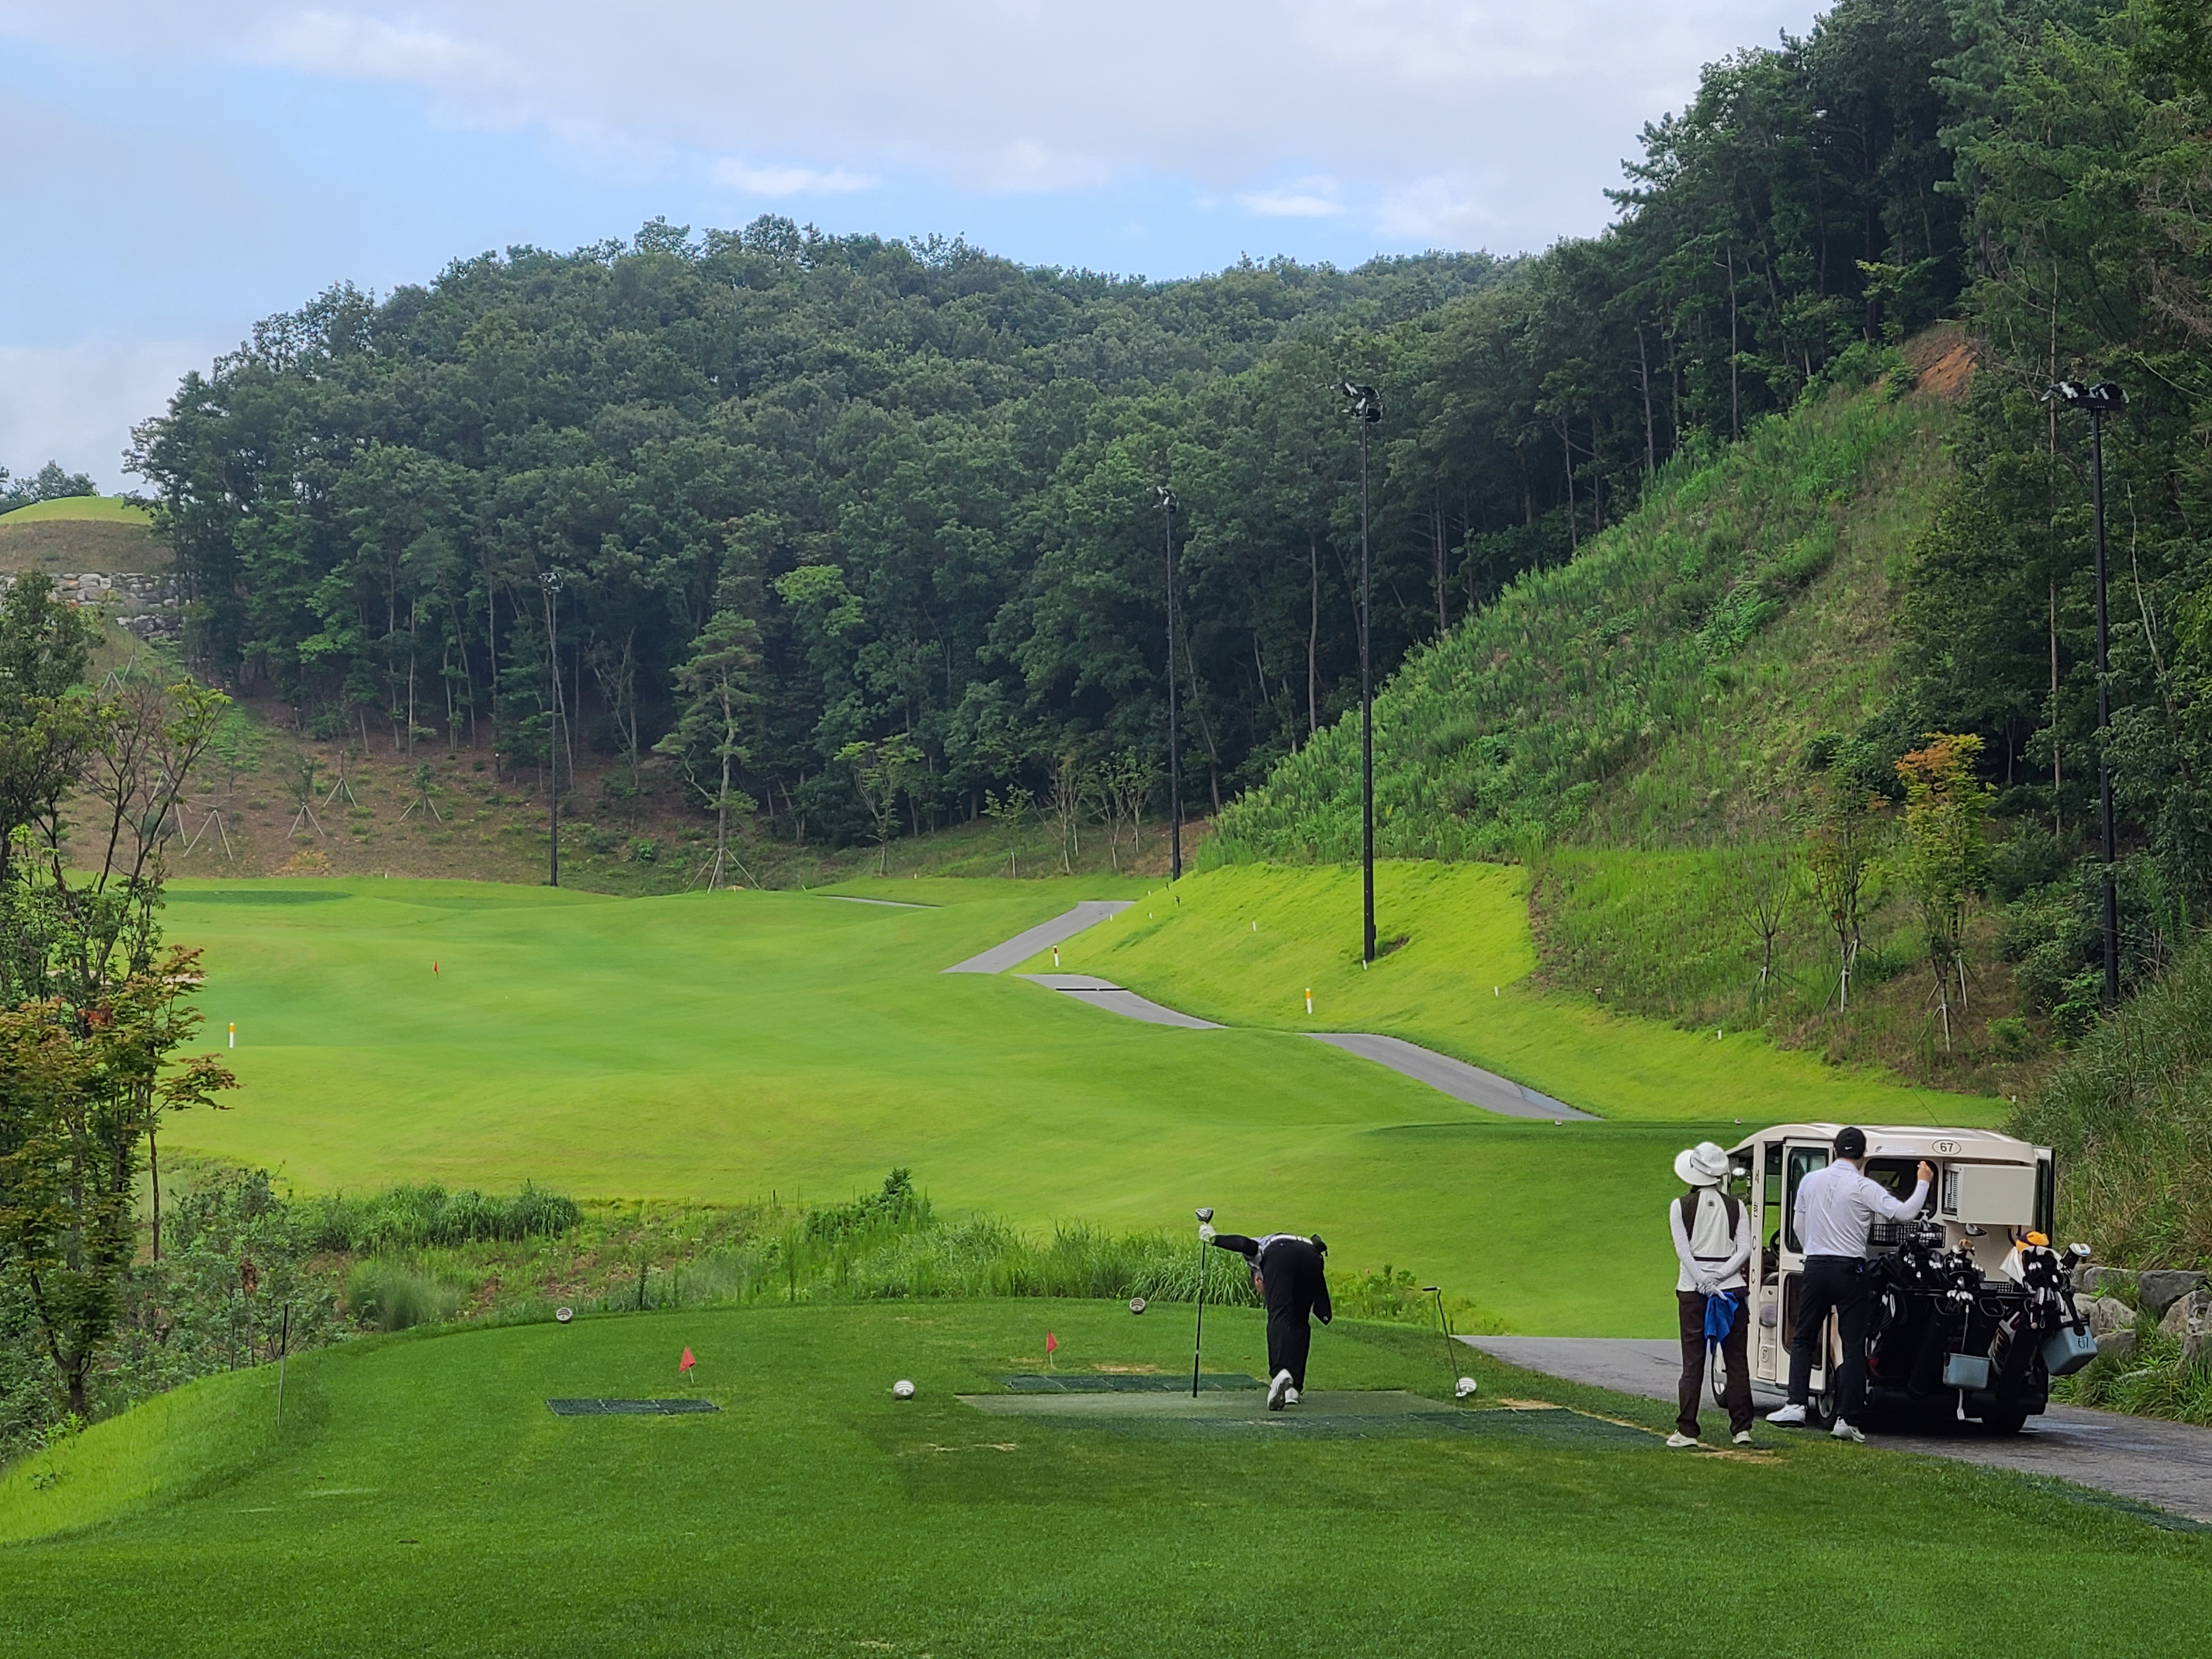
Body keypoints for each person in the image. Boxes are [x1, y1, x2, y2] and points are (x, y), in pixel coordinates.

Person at [1766, 1127, 1933, 1443]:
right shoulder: (1862, 1186)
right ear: (1863, 1155)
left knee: (1803, 1337)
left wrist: (1814, 1249)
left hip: (1816, 1265)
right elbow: (1905, 1213)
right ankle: (1847, 1418)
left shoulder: (1810, 1181)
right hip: (1850, 1269)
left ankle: (1796, 1404)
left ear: (1834, 1148)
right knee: (1852, 1343)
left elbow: (1798, 1226)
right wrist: (1923, 1181)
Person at [1666, 1141, 1753, 1448]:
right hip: (1730, 1291)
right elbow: (1744, 1249)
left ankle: (1687, 1429)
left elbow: (1683, 1250)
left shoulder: (1680, 1206)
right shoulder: (1736, 1207)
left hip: (1693, 1291)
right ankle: (1742, 1428)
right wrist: (1721, 1276)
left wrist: (1704, 1279)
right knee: (1736, 1360)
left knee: (1693, 1362)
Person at [1200, 1223, 1331, 1409]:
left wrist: (1214, 1238)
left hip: (1282, 1253)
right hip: (1313, 1256)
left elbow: (1245, 1244)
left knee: (1279, 1314)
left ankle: (1280, 1373)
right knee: (1300, 1321)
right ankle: (1294, 1388)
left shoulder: (1258, 1258)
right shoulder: (1295, 1245)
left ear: (1257, 1279)